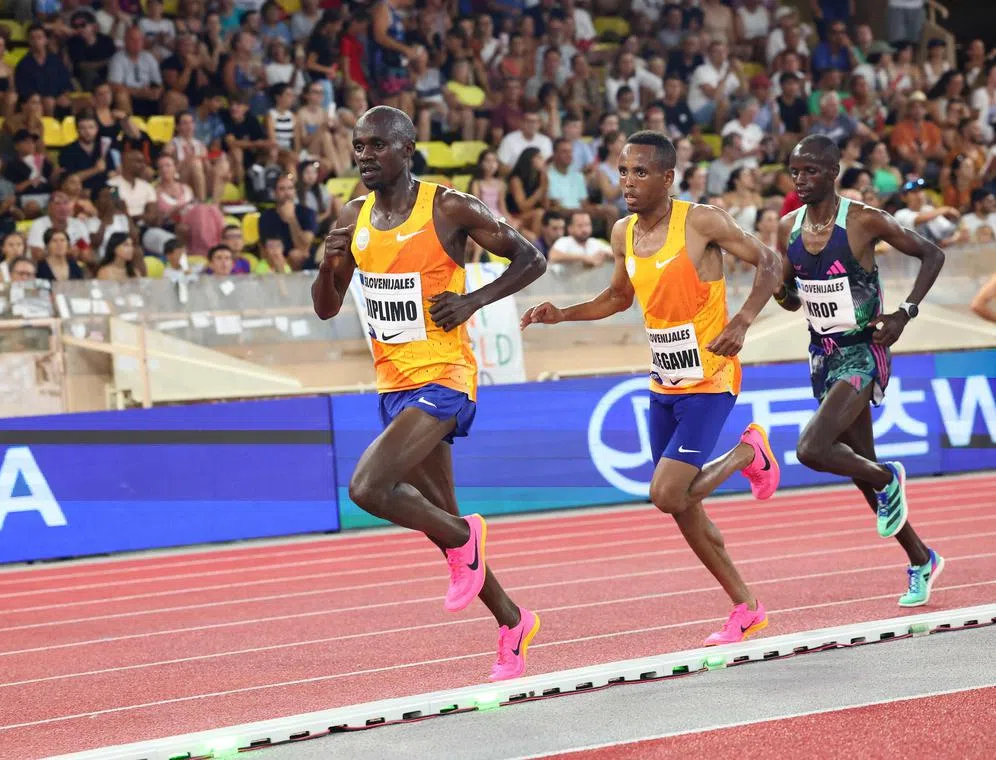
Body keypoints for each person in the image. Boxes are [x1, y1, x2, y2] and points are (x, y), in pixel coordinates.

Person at [519, 130, 783, 647]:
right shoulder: (621, 232)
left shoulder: (701, 222)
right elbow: (619, 298)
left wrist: (744, 320)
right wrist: (563, 314)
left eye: (640, 172)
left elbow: (770, 262)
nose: (628, 182)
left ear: (667, 177)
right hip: (665, 380)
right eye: (622, 171)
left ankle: (749, 452)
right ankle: (747, 608)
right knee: (683, 508)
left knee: (666, 493)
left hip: (711, 377)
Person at [312, 106, 547, 681]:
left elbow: (531, 258)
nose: (364, 155)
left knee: (368, 488)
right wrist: (328, 263)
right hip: (394, 384)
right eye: (358, 146)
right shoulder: (353, 217)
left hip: (444, 377)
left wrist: (472, 301)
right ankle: (514, 622)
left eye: (376, 146)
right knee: (438, 516)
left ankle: (469, 535)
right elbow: (325, 307)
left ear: (406, 149)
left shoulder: (446, 207)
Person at [776, 134, 947, 607]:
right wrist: (779, 291)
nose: (801, 179)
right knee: (860, 468)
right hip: (822, 356)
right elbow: (793, 298)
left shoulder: (864, 220)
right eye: (795, 171)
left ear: (832, 173)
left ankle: (890, 476)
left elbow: (933, 254)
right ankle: (921, 559)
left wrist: (904, 313)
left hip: (862, 352)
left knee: (813, 448)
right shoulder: (787, 227)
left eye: (811, 171)